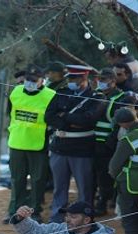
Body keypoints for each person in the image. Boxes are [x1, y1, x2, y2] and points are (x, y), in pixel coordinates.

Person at [44, 64, 102, 223]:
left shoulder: (96, 97)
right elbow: (48, 116)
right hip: (59, 147)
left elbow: (88, 119)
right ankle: (58, 217)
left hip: (82, 149)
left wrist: (64, 116)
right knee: (59, 187)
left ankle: (85, 219)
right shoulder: (61, 94)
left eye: (74, 78)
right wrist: (68, 122)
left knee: (84, 188)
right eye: (70, 78)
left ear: (84, 78)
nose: (70, 81)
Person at [4, 65, 56, 223]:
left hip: (38, 145)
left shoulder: (51, 95)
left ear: (42, 81)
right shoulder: (16, 92)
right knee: (17, 179)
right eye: (28, 80)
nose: (30, 83)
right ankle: (14, 211)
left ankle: (34, 212)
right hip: (17, 143)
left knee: (38, 180)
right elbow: (10, 113)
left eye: (34, 80)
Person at [92, 68, 128, 216]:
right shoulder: (96, 95)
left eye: (104, 80)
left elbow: (119, 123)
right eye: (98, 80)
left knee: (106, 176)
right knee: (94, 174)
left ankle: (103, 203)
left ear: (113, 82)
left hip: (108, 144)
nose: (99, 83)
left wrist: (109, 143)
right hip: (93, 142)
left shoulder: (121, 98)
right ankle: (97, 199)